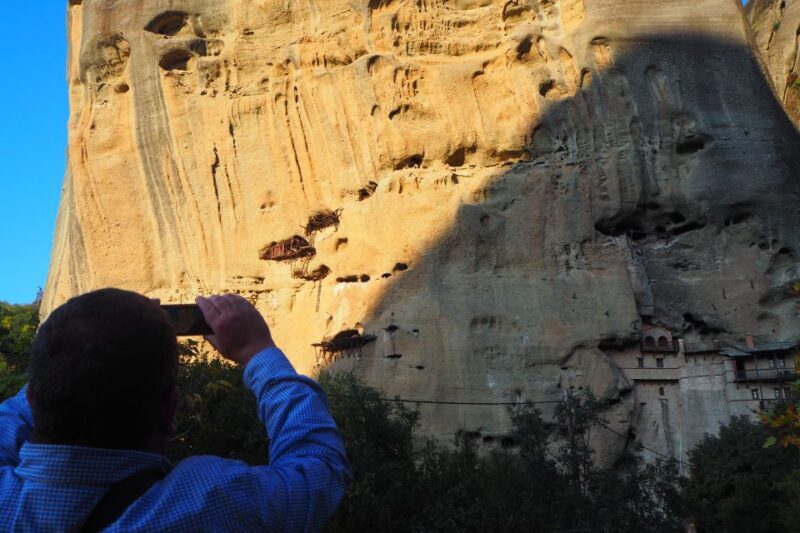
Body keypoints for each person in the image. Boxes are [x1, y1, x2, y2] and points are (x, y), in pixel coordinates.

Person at [0, 288, 351, 531]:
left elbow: (13, 415)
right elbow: (319, 469)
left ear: (32, 397)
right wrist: (258, 350)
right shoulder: (211, 503)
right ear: (169, 409)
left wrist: (98, 337)